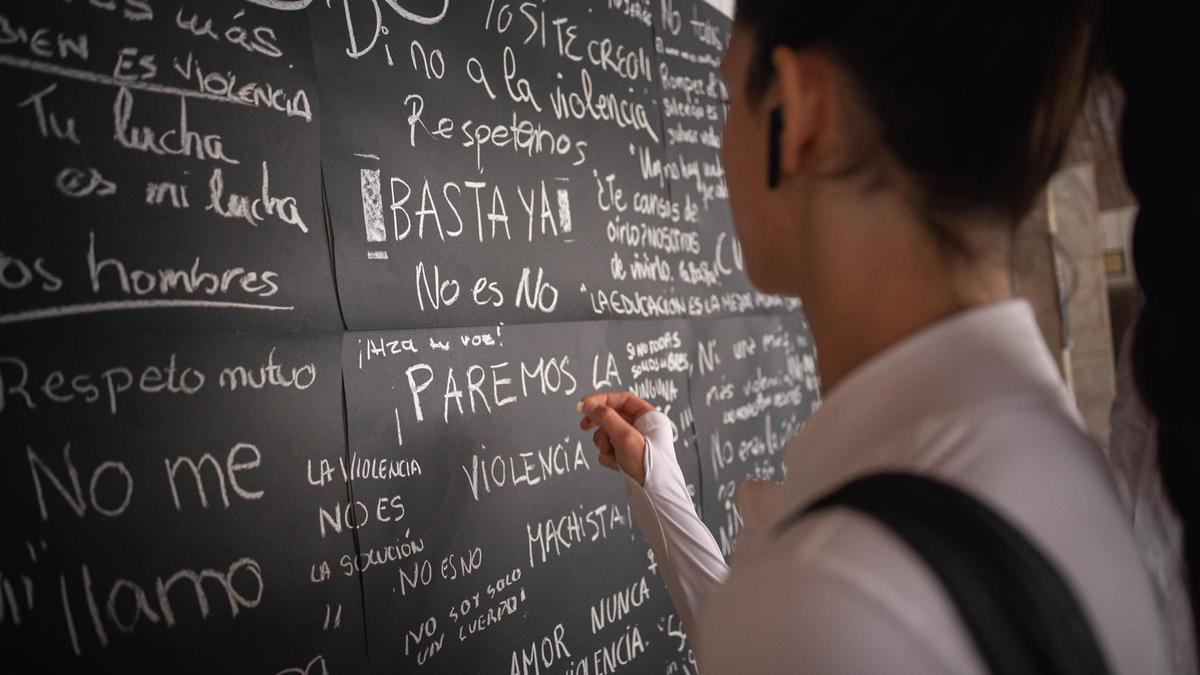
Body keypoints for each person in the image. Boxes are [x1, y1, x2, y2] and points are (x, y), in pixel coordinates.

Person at [576, 1, 1177, 672]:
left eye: (726, 92)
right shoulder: (1071, 464)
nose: (719, 141)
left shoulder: (833, 592)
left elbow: (818, 623)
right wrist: (659, 487)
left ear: (798, 116)